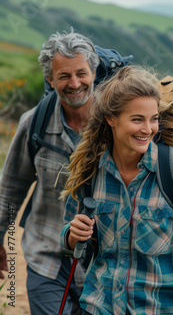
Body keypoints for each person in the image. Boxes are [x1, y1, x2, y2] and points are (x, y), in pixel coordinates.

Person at [60, 66, 173, 315]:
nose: (148, 129)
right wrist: (72, 234)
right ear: (111, 119)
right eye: (137, 119)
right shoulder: (91, 173)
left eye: (153, 119)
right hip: (99, 307)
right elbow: (67, 238)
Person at [0, 29, 99, 314]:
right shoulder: (34, 124)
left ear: (93, 70)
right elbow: (9, 190)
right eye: (64, 76)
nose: (75, 83)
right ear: (50, 79)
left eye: (81, 73)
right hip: (47, 260)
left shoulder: (114, 124)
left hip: (103, 268)